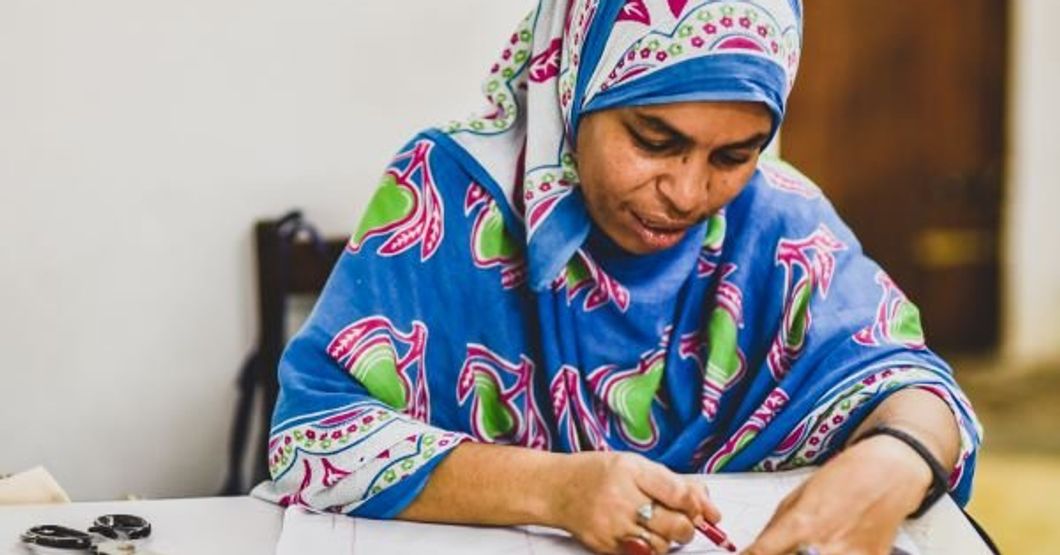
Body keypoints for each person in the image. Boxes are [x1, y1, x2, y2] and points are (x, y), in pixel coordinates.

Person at [253, 1, 982, 553]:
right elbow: (313, 438)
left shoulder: (778, 222)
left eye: (733, 156)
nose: (688, 193)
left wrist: (894, 460)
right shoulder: (449, 200)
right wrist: (556, 489)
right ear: (576, 88)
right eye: (654, 140)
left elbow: (916, 389)